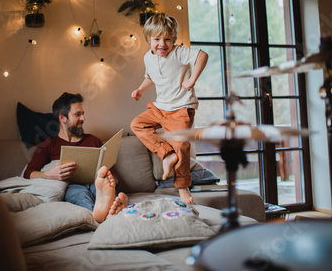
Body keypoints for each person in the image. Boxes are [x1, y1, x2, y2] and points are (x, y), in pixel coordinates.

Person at [130, 13, 208, 204]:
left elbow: (202, 56)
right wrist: (140, 89)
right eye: (156, 39)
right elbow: (151, 76)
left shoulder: (179, 52)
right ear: (148, 39)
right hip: (160, 107)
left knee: (181, 145)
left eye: (167, 39)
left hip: (180, 109)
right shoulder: (148, 57)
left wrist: (192, 79)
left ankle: (182, 188)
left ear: (173, 40)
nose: (162, 44)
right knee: (137, 124)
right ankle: (167, 154)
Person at [23, 92, 127, 222]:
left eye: (83, 114)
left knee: (101, 187)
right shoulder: (48, 145)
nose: (83, 118)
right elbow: (28, 173)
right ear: (63, 118)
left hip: (96, 183)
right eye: (78, 114)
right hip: (71, 186)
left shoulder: (94, 141)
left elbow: (113, 172)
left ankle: (106, 211)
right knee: (79, 194)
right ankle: (106, 215)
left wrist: (111, 180)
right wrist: (48, 174)